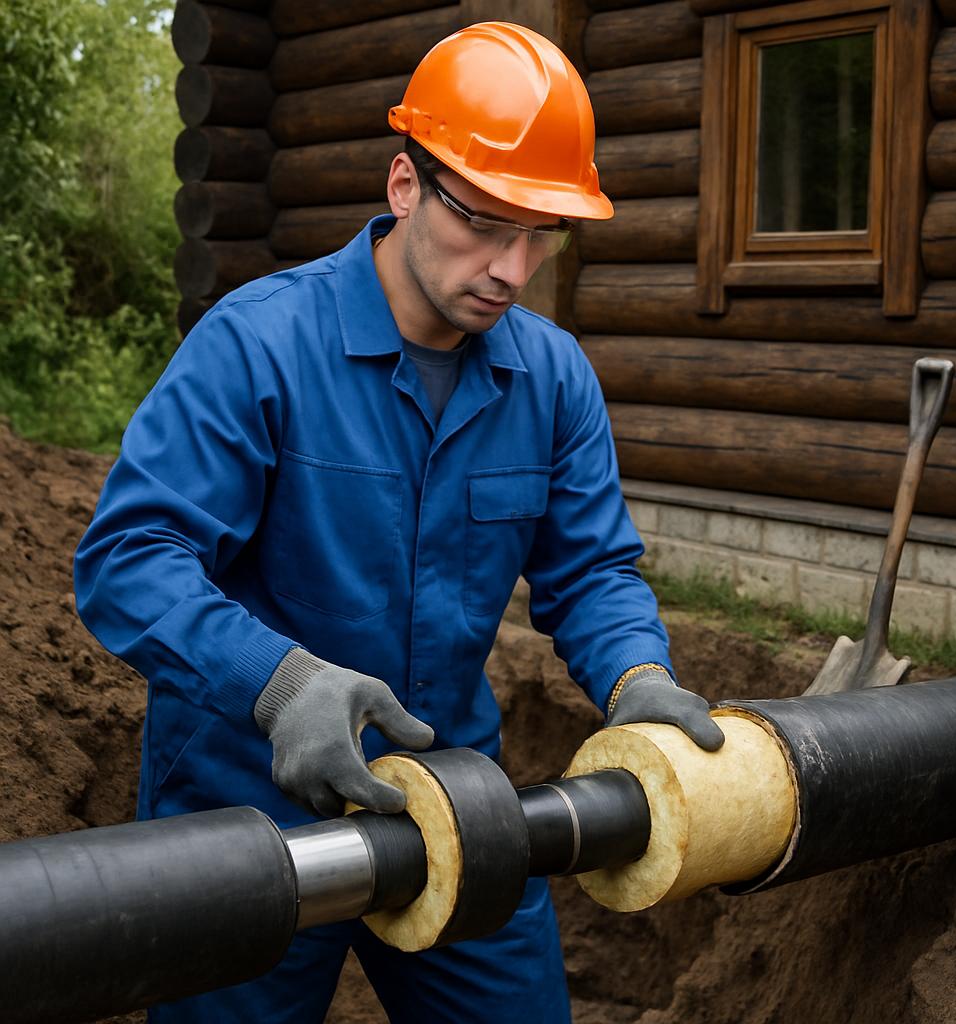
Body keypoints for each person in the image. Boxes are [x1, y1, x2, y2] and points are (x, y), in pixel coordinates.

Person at [74, 21, 724, 1024]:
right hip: (248, 810)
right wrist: (283, 683)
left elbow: (592, 572)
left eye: (541, 233)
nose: (512, 268)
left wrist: (638, 678)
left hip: (455, 799)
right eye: (486, 223)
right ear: (404, 187)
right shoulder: (257, 348)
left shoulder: (551, 379)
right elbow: (129, 561)